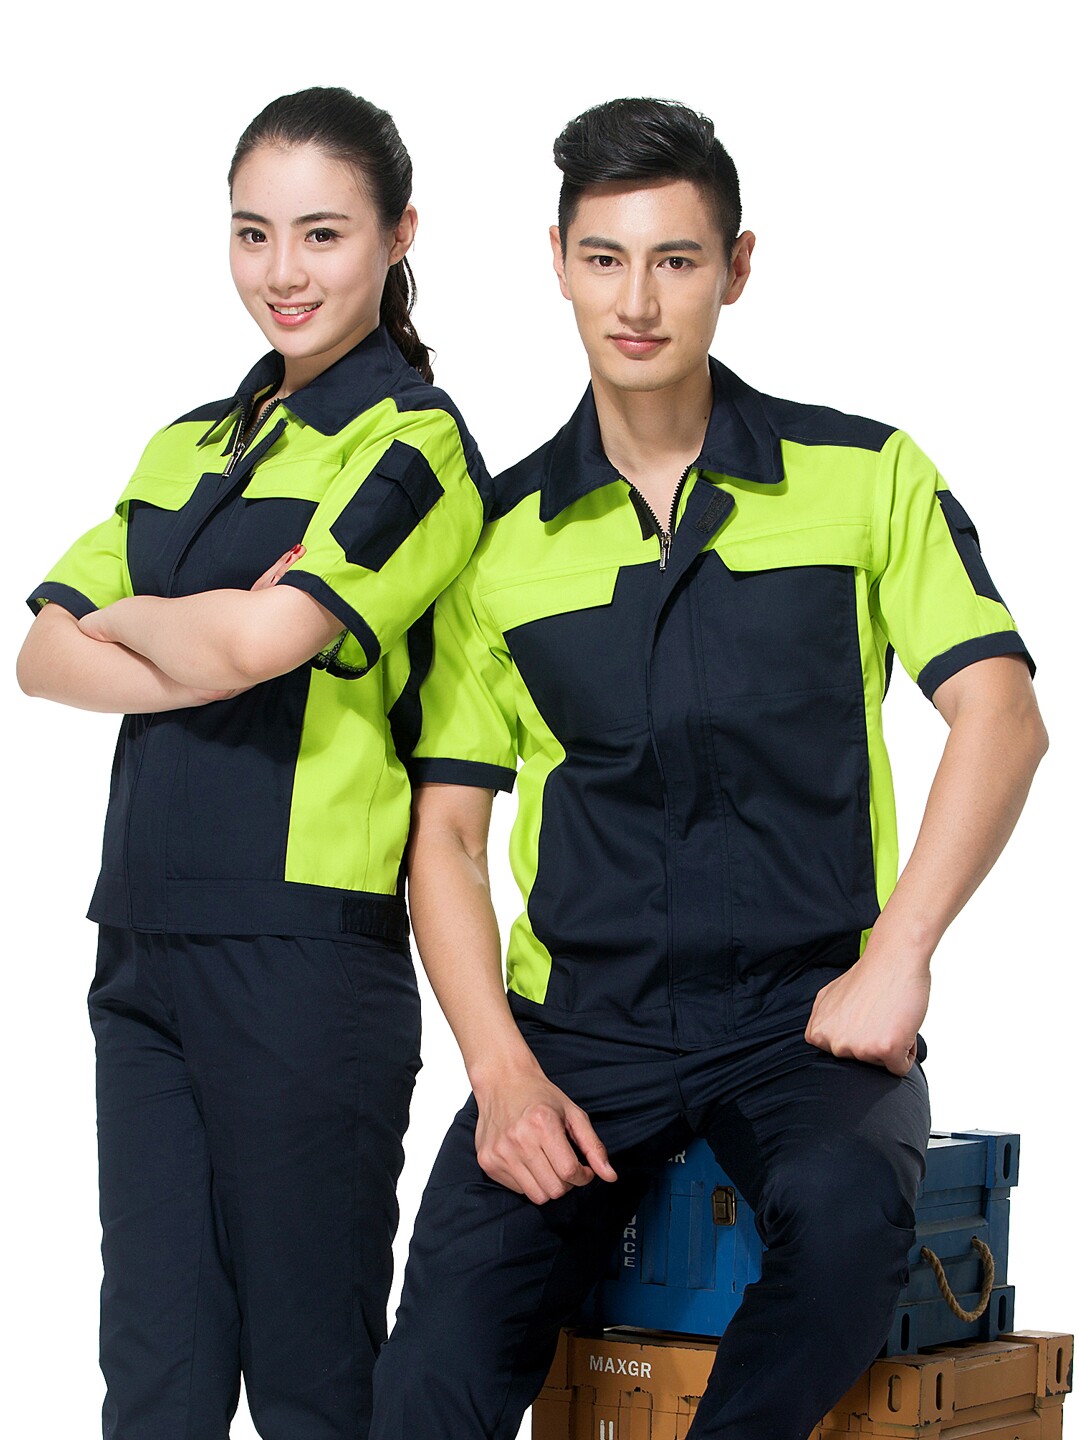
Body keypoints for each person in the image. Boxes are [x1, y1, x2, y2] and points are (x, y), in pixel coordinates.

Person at [368, 98, 1047, 1440]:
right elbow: (444, 835)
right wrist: (500, 1072)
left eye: (675, 260)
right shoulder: (495, 540)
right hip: (577, 1027)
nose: (638, 301)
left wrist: (900, 956)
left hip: (806, 1015)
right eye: (606, 258)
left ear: (735, 268)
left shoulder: (864, 477)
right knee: (435, 1365)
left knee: (847, 1220)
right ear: (560, 262)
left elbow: (1001, 715)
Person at [17, 87, 488, 1440]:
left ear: (399, 235)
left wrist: (151, 623)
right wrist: (210, 636)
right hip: (142, 946)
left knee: (310, 1386)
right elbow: (39, 656)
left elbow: (268, 641)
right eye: (253, 232)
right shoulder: (186, 444)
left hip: (302, 958)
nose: (284, 271)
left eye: (323, 233)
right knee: (153, 1385)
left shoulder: (414, 445)